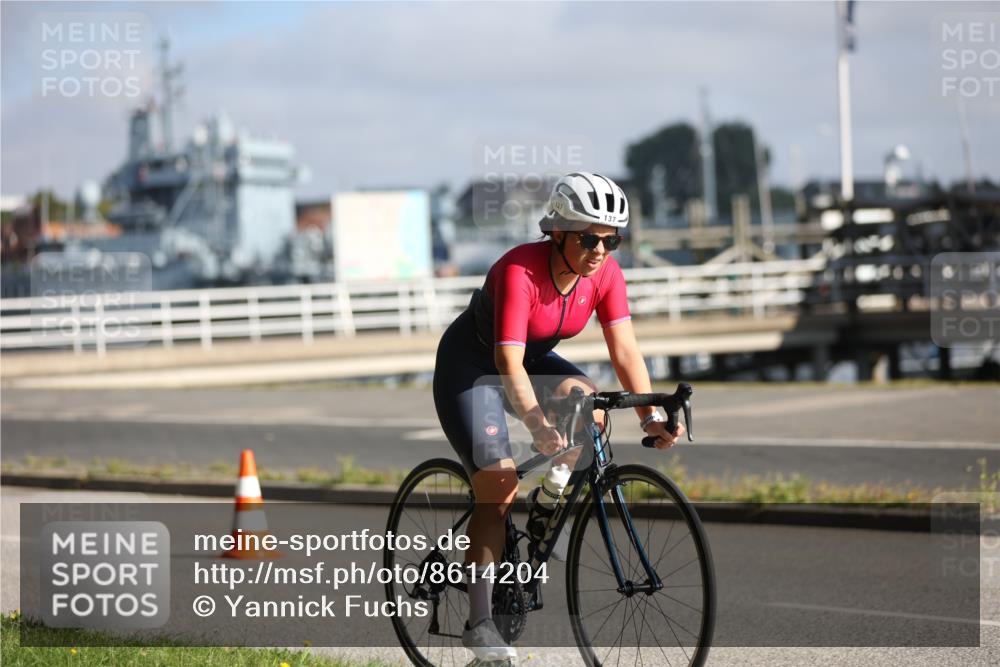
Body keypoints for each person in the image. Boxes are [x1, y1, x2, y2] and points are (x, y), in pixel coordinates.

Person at [432, 171, 684, 664]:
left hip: (528, 359)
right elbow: (506, 362)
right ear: (559, 233)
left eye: (611, 241)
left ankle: (548, 504)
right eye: (589, 239)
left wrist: (650, 415)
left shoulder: (605, 275)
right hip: (473, 368)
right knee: (499, 483)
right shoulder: (519, 271)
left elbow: (625, 350)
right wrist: (536, 425)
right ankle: (480, 624)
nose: (600, 251)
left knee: (590, 407)